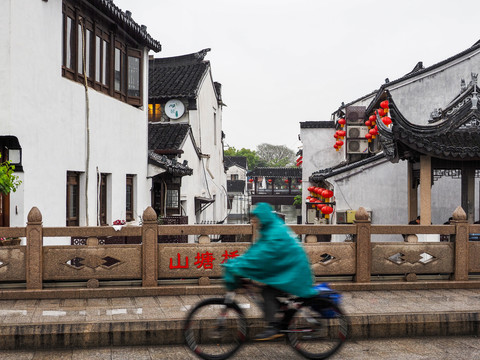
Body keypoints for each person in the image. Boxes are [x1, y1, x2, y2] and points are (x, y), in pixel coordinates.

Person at [222, 202, 317, 341]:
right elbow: (255, 252)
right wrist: (238, 262)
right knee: (268, 290)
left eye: (256, 217)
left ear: (263, 217)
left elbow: (263, 255)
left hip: (294, 271)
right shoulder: (270, 229)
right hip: (289, 269)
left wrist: (240, 266)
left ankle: (274, 327)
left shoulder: (274, 233)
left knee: (268, 292)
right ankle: (283, 317)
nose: (253, 220)